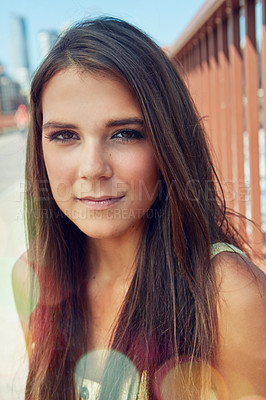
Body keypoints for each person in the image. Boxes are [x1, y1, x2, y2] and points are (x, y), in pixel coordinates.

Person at [12, 17, 265, 400]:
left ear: (167, 142)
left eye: (125, 133)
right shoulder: (33, 277)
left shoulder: (225, 293)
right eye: (65, 135)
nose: (93, 168)